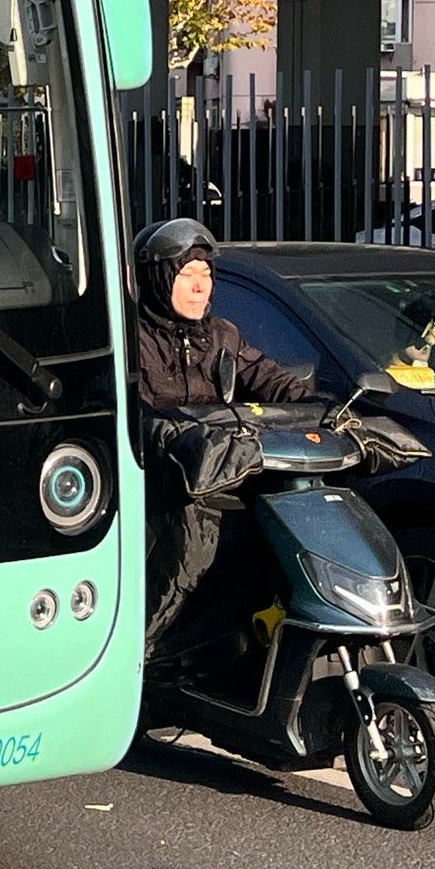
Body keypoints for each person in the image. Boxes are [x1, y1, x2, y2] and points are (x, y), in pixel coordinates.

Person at [130, 218, 314, 661]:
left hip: (225, 474)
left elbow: (270, 378)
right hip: (165, 486)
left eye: (206, 274)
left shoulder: (221, 336)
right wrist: (175, 436)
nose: (199, 286)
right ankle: (145, 657)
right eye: (186, 274)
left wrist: (317, 407)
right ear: (158, 279)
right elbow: (137, 415)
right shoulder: (133, 339)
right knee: (189, 549)